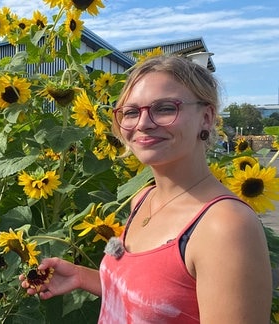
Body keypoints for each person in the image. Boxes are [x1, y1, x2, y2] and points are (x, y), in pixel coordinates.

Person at [20, 55, 272, 323]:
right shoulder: (143, 199)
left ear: (206, 117)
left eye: (164, 108)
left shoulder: (225, 226)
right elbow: (151, 298)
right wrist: (81, 276)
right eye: (130, 112)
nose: (142, 123)